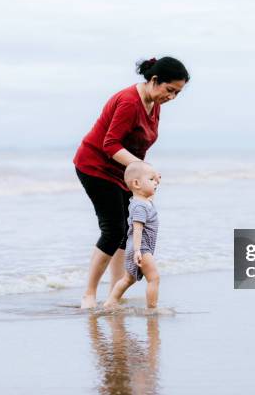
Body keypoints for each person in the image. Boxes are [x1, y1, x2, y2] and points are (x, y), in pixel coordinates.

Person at [74, 56, 189, 309]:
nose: (171, 97)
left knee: (128, 231)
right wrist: (144, 169)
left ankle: (114, 294)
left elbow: (138, 146)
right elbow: (110, 144)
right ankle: (89, 295)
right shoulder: (129, 101)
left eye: (177, 93)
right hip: (95, 166)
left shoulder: (154, 103)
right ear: (154, 80)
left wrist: (140, 178)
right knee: (113, 229)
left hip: (124, 173)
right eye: (170, 90)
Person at [104, 162, 160, 309]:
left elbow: (149, 190)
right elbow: (137, 230)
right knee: (154, 278)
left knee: (128, 279)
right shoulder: (140, 207)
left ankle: (111, 302)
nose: (155, 182)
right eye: (151, 180)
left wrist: (153, 177)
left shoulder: (143, 201)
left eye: (155, 180)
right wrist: (137, 251)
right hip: (140, 248)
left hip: (137, 248)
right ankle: (152, 309)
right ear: (136, 183)